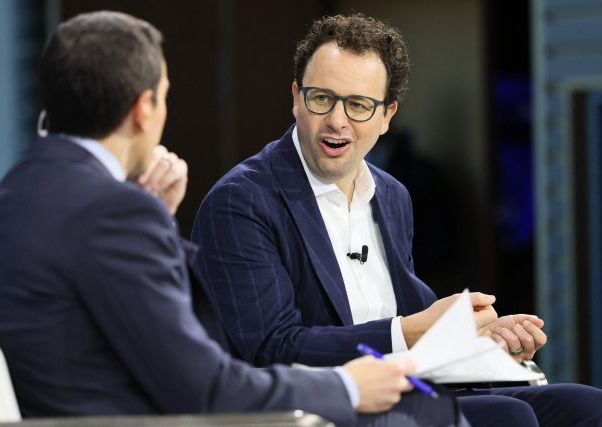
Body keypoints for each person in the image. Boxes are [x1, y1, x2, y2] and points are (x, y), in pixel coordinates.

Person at [0, 11, 468, 427]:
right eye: (165, 95)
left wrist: (153, 217)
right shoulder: (119, 212)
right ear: (143, 109)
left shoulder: (1, 202)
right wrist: (345, 386)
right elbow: (206, 384)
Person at [192, 13, 602, 427]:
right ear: (297, 98)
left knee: (586, 406)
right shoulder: (241, 202)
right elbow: (270, 348)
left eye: (358, 105)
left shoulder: (392, 195)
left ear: (387, 115)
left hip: (410, 390)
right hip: (328, 405)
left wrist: (476, 340)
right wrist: (405, 332)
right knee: (509, 417)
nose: (337, 120)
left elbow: (416, 325)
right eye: (321, 99)